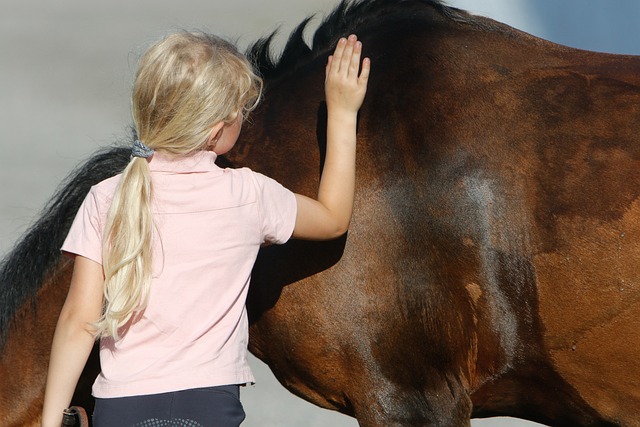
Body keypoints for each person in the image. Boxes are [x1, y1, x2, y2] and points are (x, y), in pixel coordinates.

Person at [41, 30, 369, 427]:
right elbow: (333, 218)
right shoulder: (247, 194)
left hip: (120, 407)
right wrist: (342, 112)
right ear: (217, 131)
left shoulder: (106, 197)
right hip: (209, 407)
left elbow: (78, 320)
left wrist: (50, 423)